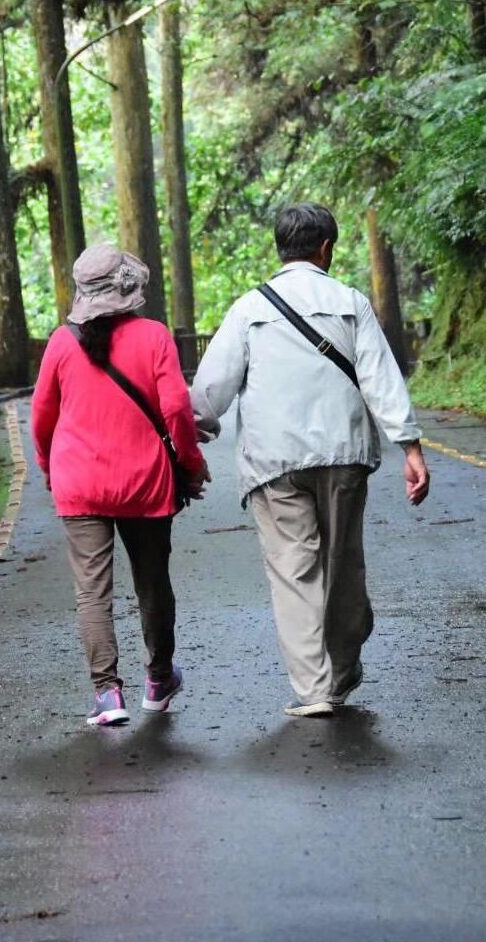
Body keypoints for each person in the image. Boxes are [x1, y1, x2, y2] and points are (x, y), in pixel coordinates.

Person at [191, 203, 430, 718]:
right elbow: (380, 378)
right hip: (344, 454)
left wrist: (194, 434)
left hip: (275, 462)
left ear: (281, 248)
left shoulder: (248, 308)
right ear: (327, 248)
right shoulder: (349, 301)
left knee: (294, 570)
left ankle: (315, 689)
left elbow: (209, 392)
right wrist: (408, 445)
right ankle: (341, 671)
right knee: (343, 564)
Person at [32, 245, 210, 727]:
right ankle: (157, 679)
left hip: (79, 484)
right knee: (152, 582)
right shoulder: (154, 337)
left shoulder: (60, 343)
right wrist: (190, 465)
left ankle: (107, 694)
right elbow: (175, 409)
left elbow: (42, 419)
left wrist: (52, 470)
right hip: (144, 482)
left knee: (92, 592)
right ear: (129, 290)